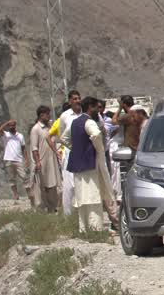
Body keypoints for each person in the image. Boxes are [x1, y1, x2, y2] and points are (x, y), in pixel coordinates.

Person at [67, 97, 117, 232]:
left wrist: (77, 149)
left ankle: (84, 229)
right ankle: (95, 229)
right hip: (91, 164)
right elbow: (95, 135)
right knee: (94, 196)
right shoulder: (89, 122)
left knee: (82, 197)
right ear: (90, 107)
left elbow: (64, 137)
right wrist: (99, 151)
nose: (98, 111)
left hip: (78, 165)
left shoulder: (74, 122)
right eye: (96, 107)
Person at [50, 90, 82, 215]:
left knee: (81, 183)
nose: (77, 101)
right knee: (69, 185)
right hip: (69, 153)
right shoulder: (65, 116)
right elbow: (62, 136)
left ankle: (81, 213)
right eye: (74, 99)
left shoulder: (84, 115)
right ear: (70, 101)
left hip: (82, 153)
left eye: (78, 98)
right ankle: (68, 215)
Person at [30, 106, 61, 212]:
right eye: (47, 114)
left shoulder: (49, 126)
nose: (49, 116)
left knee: (52, 185)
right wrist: (38, 162)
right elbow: (34, 148)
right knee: (43, 186)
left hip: (51, 160)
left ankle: (53, 207)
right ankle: (43, 208)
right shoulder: (36, 129)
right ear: (41, 115)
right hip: (42, 161)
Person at [0, 119, 27, 201]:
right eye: (10, 125)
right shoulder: (6, 135)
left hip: (18, 160)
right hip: (8, 159)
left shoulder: (20, 136)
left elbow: (23, 148)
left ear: (15, 126)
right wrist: (7, 122)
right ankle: (15, 194)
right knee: (11, 179)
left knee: (24, 177)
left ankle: (29, 192)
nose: (11, 126)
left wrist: (26, 159)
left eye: (13, 125)